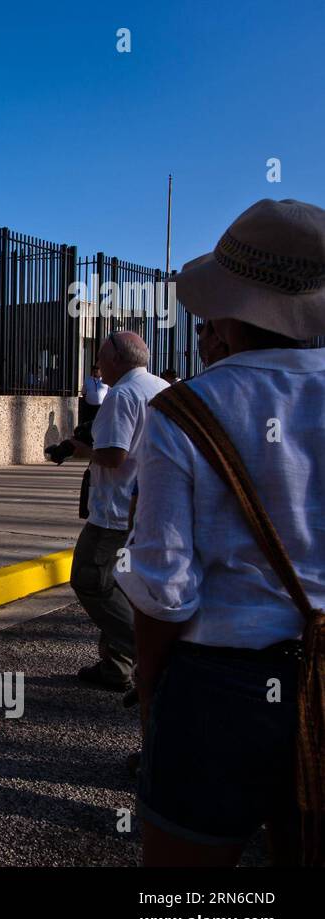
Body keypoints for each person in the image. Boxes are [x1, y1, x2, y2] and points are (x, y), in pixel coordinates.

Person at [116, 198, 325, 866]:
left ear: (228, 310)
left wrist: (155, 705)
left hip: (220, 692)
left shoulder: (185, 412)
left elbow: (163, 591)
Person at [67, 331, 168, 690]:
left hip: (115, 511)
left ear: (117, 361)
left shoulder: (122, 395)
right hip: (149, 506)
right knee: (125, 586)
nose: (97, 366)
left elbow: (113, 455)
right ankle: (116, 668)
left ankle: (149, 655)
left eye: (100, 359)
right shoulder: (160, 388)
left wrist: (81, 450)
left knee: (90, 579)